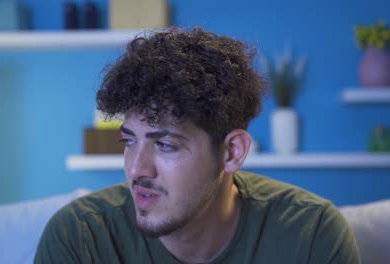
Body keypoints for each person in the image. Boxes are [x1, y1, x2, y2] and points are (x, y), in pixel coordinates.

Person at [35, 27, 360, 263]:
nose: (135, 169)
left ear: (232, 152)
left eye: (164, 145)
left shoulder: (311, 235)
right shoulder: (79, 238)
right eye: (129, 141)